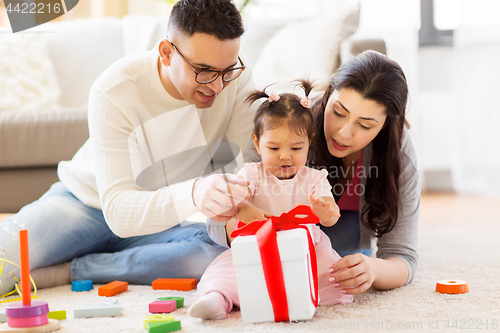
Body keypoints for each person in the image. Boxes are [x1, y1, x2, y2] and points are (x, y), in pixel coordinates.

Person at [0, 0, 258, 296]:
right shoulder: (115, 89)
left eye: (227, 71)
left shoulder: (235, 78)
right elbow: (120, 212)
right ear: (166, 52)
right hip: (84, 203)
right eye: (203, 70)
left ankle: (73, 269)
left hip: (159, 219)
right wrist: (195, 192)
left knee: (219, 257)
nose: (217, 86)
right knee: (3, 264)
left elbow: (249, 165)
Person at [207, 50, 420, 297]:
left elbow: (402, 256)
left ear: (385, 125)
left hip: (336, 239)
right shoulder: (289, 124)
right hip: (262, 236)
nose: (343, 133)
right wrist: (247, 222)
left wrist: (373, 269)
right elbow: (217, 221)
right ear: (328, 95)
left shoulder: (398, 152)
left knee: (342, 253)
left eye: (365, 125)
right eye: (338, 112)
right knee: (202, 264)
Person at [188, 81, 353, 320]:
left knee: (334, 278)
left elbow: (330, 216)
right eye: (274, 148)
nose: (285, 156)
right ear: (257, 143)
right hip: (258, 248)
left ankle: (298, 295)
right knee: (226, 272)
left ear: (309, 142)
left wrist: (326, 211)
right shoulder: (252, 174)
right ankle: (217, 298)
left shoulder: (315, 178)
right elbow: (234, 200)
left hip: (307, 250)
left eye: (296, 148)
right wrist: (242, 209)